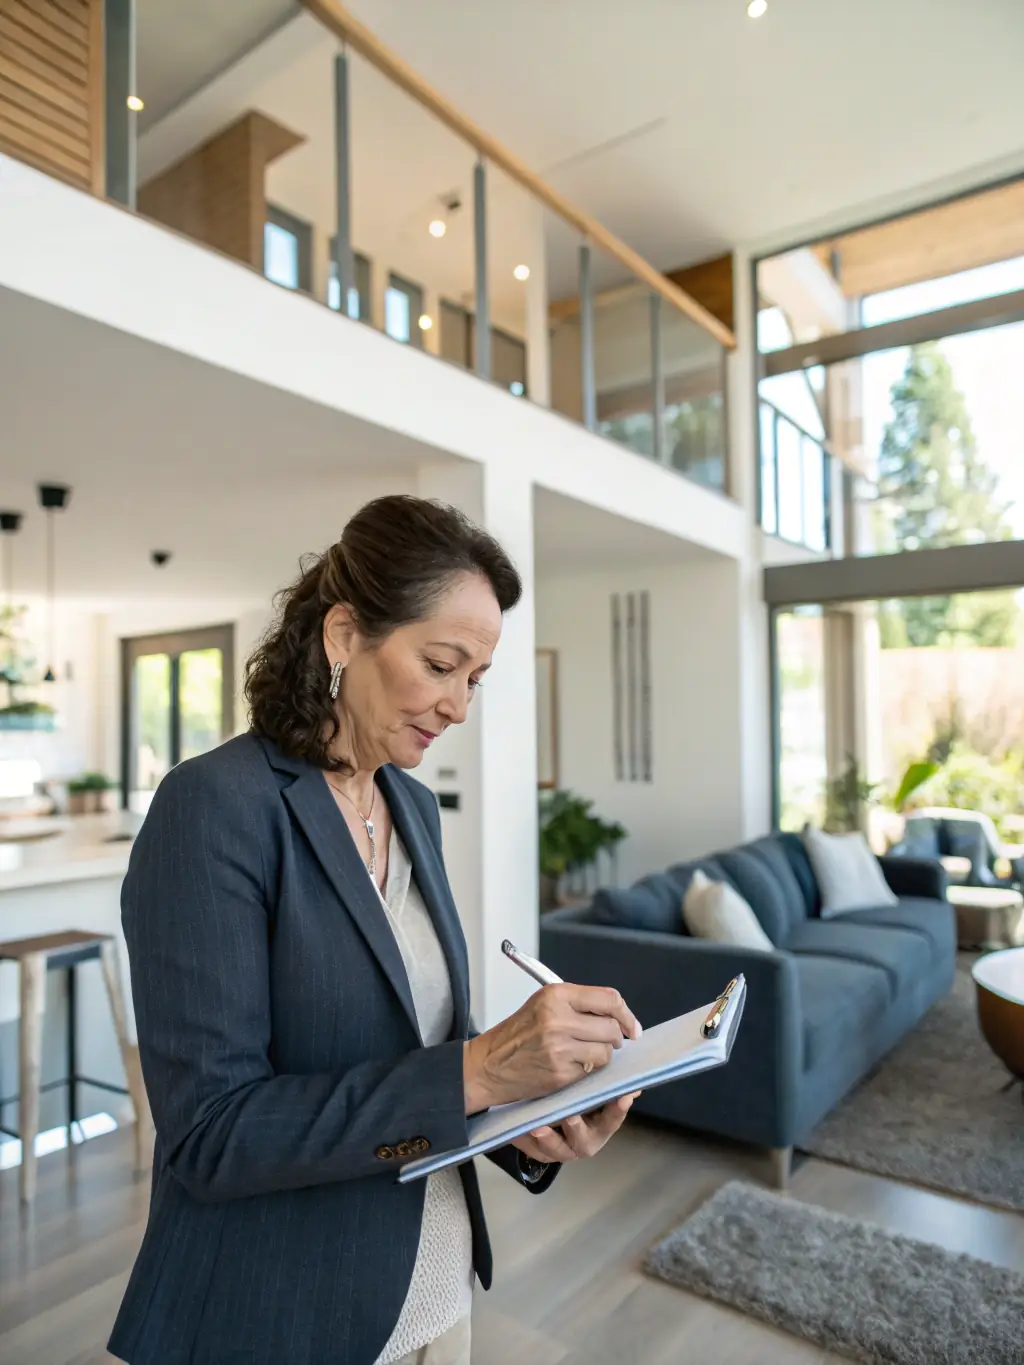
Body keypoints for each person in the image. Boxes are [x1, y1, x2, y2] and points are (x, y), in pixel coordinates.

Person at [108, 495, 641, 1365]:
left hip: (436, 1289)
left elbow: (414, 1042)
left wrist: (522, 1108)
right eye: (441, 663)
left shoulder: (413, 805)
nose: (459, 705)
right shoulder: (214, 807)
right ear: (346, 634)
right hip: (285, 1313)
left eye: (475, 677)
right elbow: (211, 1133)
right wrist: (476, 1069)